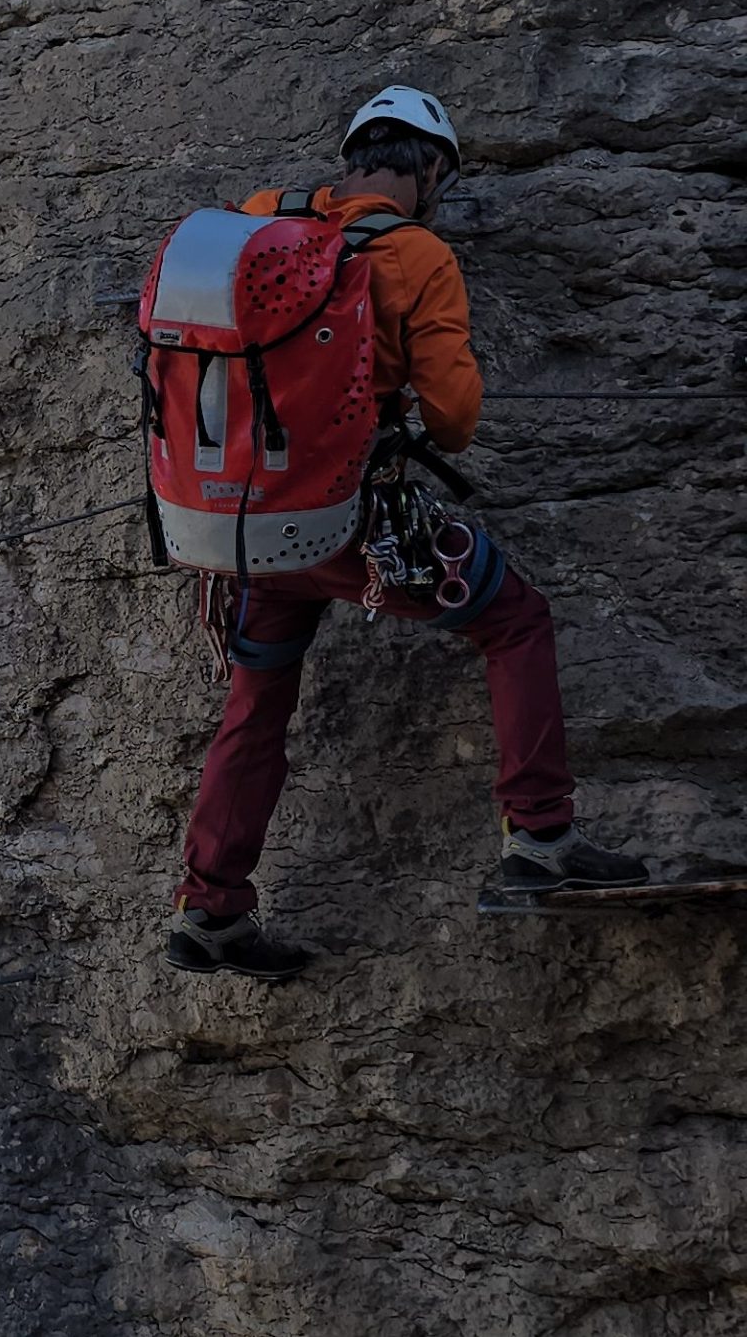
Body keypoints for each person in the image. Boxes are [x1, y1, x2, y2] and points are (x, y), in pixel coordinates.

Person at [167, 87, 647, 979]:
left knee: (257, 703)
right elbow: (456, 419)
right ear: (429, 170)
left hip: (248, 526)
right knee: (514, 620)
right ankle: (541, 835)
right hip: (350, 528)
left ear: (353, 155)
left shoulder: (265, 220)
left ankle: (211, 906)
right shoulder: (418, 252)